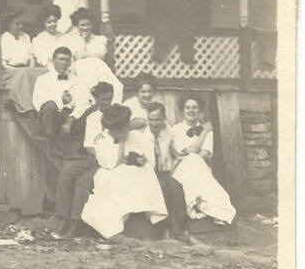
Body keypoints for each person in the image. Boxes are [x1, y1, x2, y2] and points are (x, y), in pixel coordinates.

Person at [81, 103, 167, 241]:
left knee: (143, 174)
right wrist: (121, 141)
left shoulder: (136, 136)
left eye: (128, 125)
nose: (128, 129)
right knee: (115, 182)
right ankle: (117, 227)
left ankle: (151, 219)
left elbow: (148, 158)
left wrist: (142, 159)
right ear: (114, 129)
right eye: (123, 127)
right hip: (110, 172)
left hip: (134, 171)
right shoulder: (102, 139)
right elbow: (110, 164)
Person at [52, 82, 115, 241]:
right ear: (96, 99)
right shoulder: (93, 117)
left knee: (83, 181)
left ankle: (75, 222)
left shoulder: (116, 114)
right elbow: (88, 144)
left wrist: (104, 157)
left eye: (108, 99)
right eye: (102, 100)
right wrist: (97, 155)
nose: (106, 103)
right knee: (66, 174)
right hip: (94, 158)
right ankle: (63, 218)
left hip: (110, 160)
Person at [170, 92, 236, 226]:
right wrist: (203, 133)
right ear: (183, 110)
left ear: (200, 110)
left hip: (200, 168)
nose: (191, 110)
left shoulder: (209, 130)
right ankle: (200, 205)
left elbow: (206, 153)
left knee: (195, 163)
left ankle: (206, 207)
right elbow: (185, 153)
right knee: (192, 160)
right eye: (188, 107)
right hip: (181, 168)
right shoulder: (176, 129)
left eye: (194, 107)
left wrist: (192, 158)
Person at [146, 101, 191, 243]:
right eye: (151, 120)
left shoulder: (168, 131)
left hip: (162, 172)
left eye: (158, 119)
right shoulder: (141, 134)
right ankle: (165, 231)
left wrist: (181, 157)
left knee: (176, 186)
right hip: (147, 174)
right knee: (162, 189)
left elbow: (174, 149)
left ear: (164, 119)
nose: (154, 123)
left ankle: (182, 228)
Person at [32, 46, 91, 146]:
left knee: (93, 108)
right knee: (49, 105)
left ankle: (86, 146)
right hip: (53, 119)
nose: (64, 63)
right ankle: (51, 144)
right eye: (61, 59)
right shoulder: (43, 79)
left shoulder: (78, 80)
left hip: (73, 119)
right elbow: (39, 102)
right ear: (53, 61)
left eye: (67, 60)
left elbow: (84, 102)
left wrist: (69, 120)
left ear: (70, 63)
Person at [64, 8, 123, 102]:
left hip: (99, 68)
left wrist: (84, 55)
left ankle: (114, 107)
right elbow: (74, 58)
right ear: (77, 26)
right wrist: (83, 43)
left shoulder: (99, 39)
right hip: (80, 70)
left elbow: (101, 56)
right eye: (82, 25)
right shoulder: (72, 40)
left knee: (117, 86)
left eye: (88, 24)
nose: (86, 28)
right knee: (87, 86)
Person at [0, 11, 46, 114]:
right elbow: (3, 64)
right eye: (17, 24)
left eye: (21, 24)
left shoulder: (25, 36)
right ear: (9, 24)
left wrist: (31, 67)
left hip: (25, 68)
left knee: (44, 72)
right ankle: (27, 108)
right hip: (9, 71)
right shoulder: (4, 38)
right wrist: (21, 70)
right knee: (24, 74)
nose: (20, 26)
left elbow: (31, 56)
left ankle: (41, 105)